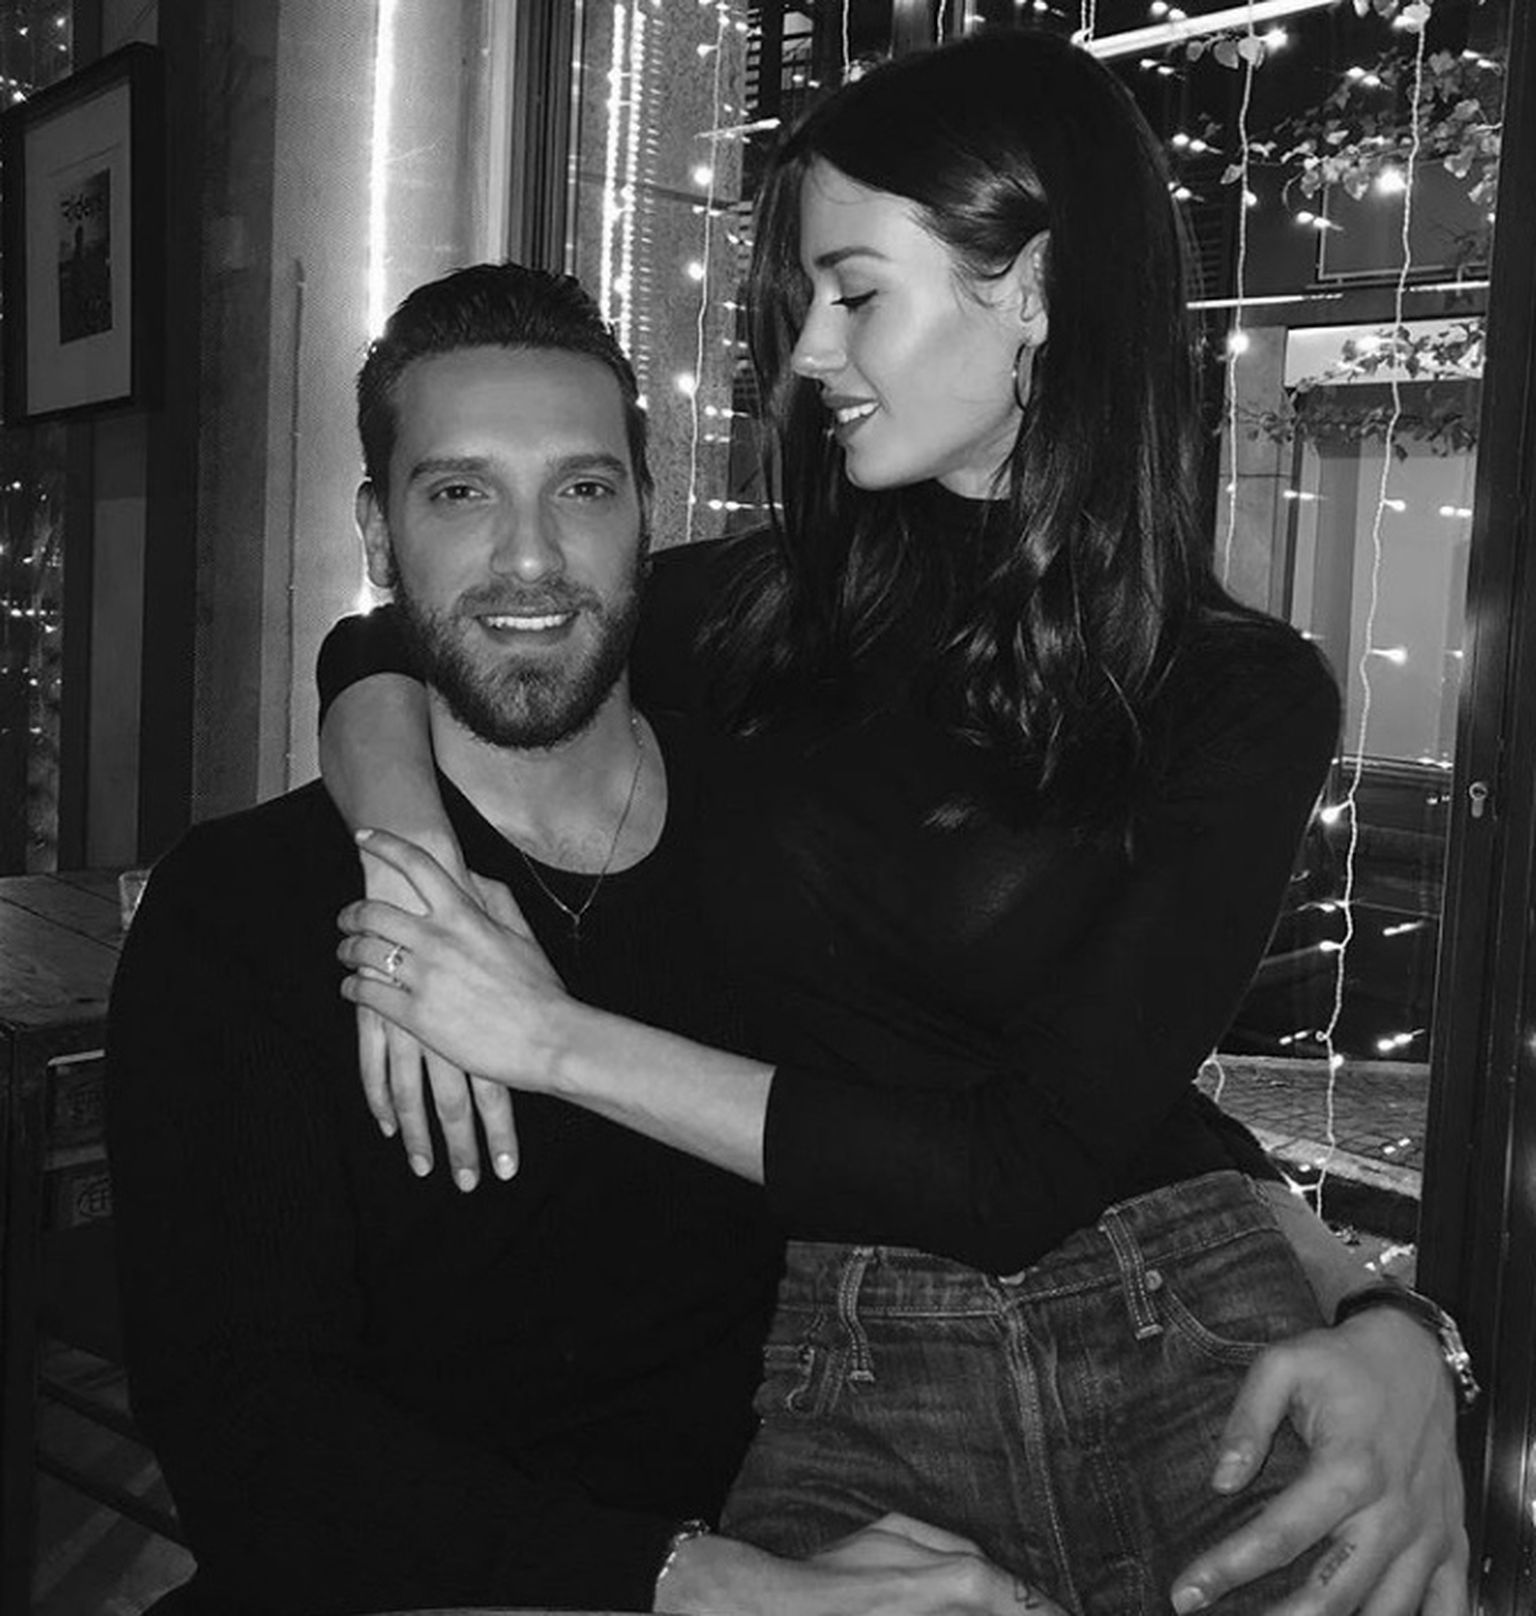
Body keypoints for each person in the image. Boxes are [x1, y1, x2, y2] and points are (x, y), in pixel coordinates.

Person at [322, 30, 1470, 1616]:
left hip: (1199, 1352)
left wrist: (1394, 1328)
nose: (810, 352)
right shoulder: (757, 616)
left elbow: (1040, 1156)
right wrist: (416, 883)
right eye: (806, 300)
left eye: (856, 293)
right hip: (853, 1357)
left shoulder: (1238, 692)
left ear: (1035, 290)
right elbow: (392, 644)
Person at [107, 262, 1068, 1616]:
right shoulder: (242, 909)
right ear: (378, 532)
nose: (530, 559)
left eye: (584, 488)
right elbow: (248, 1437)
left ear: (647, 517)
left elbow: (1036, 1100)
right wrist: (696, 1584)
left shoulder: (787, 831)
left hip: (808, 1537)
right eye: (460, 494)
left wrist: (1363, 1311)